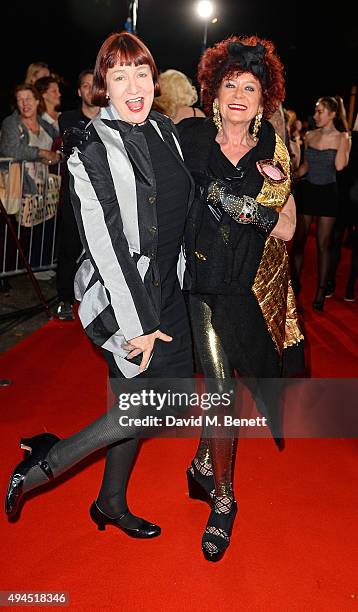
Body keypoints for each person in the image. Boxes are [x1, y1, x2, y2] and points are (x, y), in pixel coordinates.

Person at [5, 32, 194, 538]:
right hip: (123, 298)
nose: (133, 86)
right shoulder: (88, 147)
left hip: (168, 289)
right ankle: (51, 458)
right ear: (102, 87)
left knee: (133, 406)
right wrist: (141, 325)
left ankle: (109, 503)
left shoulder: (164, 129)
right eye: (118, 75)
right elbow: (106, 245)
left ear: (155, 80)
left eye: (141, 74)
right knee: (158, 404)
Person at [178, 35, 304, 562]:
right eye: (230, 83)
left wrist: (244, 208)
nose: (238, 94)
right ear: (213, 91)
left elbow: (291, 228)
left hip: (247, 287)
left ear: (262, 99)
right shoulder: (188, 136)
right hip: (202, 286)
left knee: (238, 384)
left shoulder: (271, 150)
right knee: (223, 391)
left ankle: (205, 464)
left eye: (249, 87)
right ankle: (223, 500)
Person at [290, 96, 351, 310]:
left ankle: (321, 292)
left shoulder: (341, 137)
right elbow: (306, 165)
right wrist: (294, 175)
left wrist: (344, 142)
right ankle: (294, 285)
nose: (316, 116)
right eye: (316, 111)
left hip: (328, 193)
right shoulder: (310, 135)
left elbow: (340, 166)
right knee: (298, 241)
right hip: (309, 191)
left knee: (323, 245)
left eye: (320, 111)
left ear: (333, 114)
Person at [56, 69, 99, 320]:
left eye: (95, 85)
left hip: (104, 197)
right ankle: (64, 299)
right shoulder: (68, 118)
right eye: (85, 85)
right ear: (79, 91)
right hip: (75, 195)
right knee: (69, 247)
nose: (90, 90)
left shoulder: (110, 117)